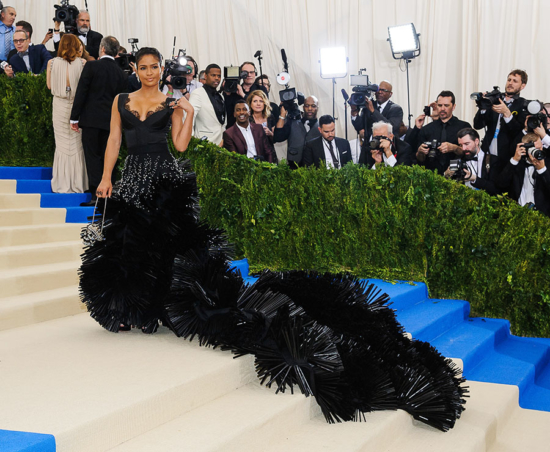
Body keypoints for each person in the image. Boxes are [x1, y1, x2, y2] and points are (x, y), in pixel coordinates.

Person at [79, 46, 196, 333]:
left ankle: (151, 310)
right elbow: (114, 141)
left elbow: (180, 145)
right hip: (132, 174)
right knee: (127, 242)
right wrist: (106, 178)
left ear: (161, 69)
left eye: (154, 67)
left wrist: (189, 112)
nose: (149, 73)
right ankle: (123, 306)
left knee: (159, 244)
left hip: (163, 175)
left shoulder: (171, 104)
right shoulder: (121, 100)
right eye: (143, 67)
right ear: (135, 69)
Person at [70, 36, 127, 205]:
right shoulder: (121, 73)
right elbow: (123, 102)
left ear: (102, 49)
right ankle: (108, 194)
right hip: (112, 123)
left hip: (91, 121)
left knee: (93, 157)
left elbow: (82, 92)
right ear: (116, 53)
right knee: (109, 157)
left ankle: (96, 195)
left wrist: (74, 117)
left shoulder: (92, 66)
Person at [46, 34, 88, 193]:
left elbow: (49, 86)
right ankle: (78, 184)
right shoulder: (82, 63)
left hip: (59, 105)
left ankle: (61, 184)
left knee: (62, 144)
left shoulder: (52, 63)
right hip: (78, 107)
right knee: (77, 143)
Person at [473, 69, 529, 160]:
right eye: (509, 80)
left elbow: (518, 133)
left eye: (515, 81)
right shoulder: (494, 99)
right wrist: (483, 107)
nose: (510, 83)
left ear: (522, 86)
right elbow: (477, 125)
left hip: (508, 156)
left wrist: (507, 114)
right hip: (487, 154)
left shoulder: (523, 105)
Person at [416, 90, 472, 175]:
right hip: (431, 177)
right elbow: (420, 159)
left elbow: (470, 153)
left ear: (453, 107)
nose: (442, 108)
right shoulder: (427, 129)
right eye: (440, 105)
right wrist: (420, 152)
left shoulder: (464, 126)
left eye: (446, 105)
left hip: (457, 176)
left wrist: (454, 148)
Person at [496, 133, 550, 216]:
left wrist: (542, 169)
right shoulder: (517, 164)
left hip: (542, 217)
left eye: (539, 148)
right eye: (533, 149)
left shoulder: (548, 164)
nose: (537, 152)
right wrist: (514, 160)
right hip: (518, 214)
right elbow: (501, 184)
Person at [443, 128, 501, 195]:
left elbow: (496, 189)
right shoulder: (458, 159)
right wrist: (446, 175)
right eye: (461, 145)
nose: (463, 148)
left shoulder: (493, 160)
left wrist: (475, 179)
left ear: (476, 142)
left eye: (466, 144)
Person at [273, 96, 321, 168]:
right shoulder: (292, 122)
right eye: (307, 106)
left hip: (314, 167)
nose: (310, 109)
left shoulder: (321, 127)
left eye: (313, 106)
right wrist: (282, 116)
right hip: (294, 166)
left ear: (317, 108)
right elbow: (278, 137)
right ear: (303, 107)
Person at [189, 63, 225, 146]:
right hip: (202, 142)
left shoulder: (221, 96)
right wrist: (191, 140)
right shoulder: (197, 93)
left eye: (219, 76)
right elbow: (190, 117)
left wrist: (222, 139)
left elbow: (222, 120)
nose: (217, 78)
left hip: (220, 143)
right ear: (205, 75)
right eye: (213, 75)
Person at [223, 61, 268, 128]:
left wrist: (243, 95)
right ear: (240, 74)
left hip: (256, 128)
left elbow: (263, 109)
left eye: (251, 72)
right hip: (238, 130)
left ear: (255, 74)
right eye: (245, 73)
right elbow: (229, 114)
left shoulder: (261, 89)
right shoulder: (234, 91)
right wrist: (227, 94)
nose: (249, 75)